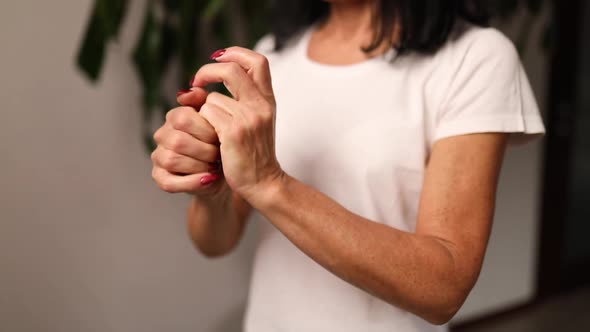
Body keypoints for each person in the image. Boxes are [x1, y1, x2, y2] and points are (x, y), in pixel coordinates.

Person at [150, 0, 545, 331]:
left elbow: (444, 288)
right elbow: (214, 241)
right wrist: (213, 187)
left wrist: (269, 183)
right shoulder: (273, 54)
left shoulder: (475, 56)